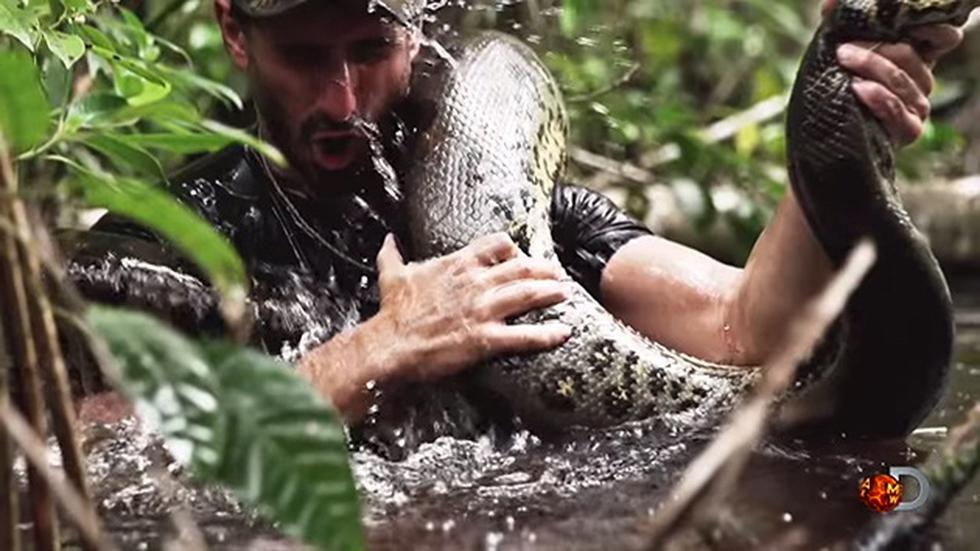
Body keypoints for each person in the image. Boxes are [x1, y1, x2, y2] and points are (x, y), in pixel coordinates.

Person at [73, 0, 964, 437]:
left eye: (370, 51)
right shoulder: (168, 239)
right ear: (235, 32)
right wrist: (378, 348)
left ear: (417, 33)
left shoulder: (523, 222)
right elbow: (67, 455)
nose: (342, 97)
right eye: (304, 57)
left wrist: (833, 122)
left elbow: (750, 329)